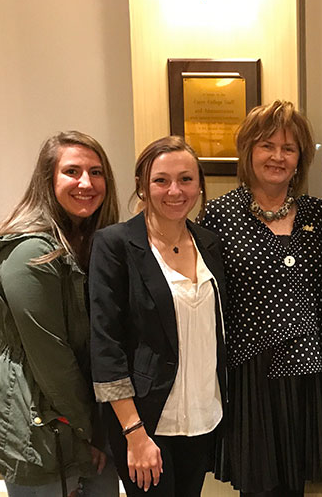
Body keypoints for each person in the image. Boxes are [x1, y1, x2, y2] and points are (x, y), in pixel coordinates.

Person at [0, 131, 120, 496]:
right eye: (72, 171)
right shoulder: (29, 252)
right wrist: (89, 430)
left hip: (81, 416)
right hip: (37, 421)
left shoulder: (88, 240)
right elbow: (51, 358)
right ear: (48, 180)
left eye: (96, 172)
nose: (86, 183)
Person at [198, 100, 322, 496]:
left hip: (307, 370)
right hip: (250, 372)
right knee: (256, 484)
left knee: (295, 485)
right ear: (248, 152)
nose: (277, 156)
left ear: (300, 158)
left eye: (288, 148)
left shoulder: (318, 213)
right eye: (266, 145)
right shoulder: (219, 215)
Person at [89, 136, 228, 496]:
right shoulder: (115, 244)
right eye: (161, 180)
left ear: (199, 185)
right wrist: (134, 433)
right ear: (142, 185)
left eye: (186, 179)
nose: (175, 191)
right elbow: (106, 346)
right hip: (146, 423)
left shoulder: (210, 244)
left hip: (202, 416)